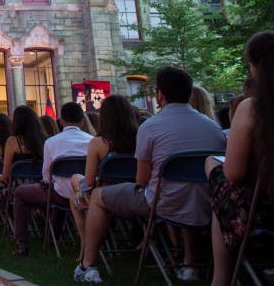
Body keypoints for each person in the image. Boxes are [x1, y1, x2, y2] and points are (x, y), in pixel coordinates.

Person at [73, 66, 226, 283]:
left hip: (162, 203)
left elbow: (141, 181)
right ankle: (189, 264)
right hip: (206, 205)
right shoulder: (213, 128)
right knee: (189, 190)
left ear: (160, 95)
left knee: (98, 196)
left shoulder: (151, 127)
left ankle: (86, 265)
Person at [207, 31, 274, 286]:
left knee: (216, 177)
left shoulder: (252, 108)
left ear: (255, 66)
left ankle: (221, 280)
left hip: (263, 217)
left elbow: (233, 173)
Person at [11, 102, 92, 256]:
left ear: (61, 121)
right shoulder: (92, 141)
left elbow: (46, 177)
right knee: (58, 188)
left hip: (60, 195)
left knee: (21, 192)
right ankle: (52, 236)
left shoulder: (51, 142)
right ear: (82, 120)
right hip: (86, 196)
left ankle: (21, 242)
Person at [70, 94, 139, 263]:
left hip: (107, 200)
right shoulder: (141, 138)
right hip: (138, 194)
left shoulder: (98, 143)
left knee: (74, 195)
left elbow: (89, 182)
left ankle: (86, 244)